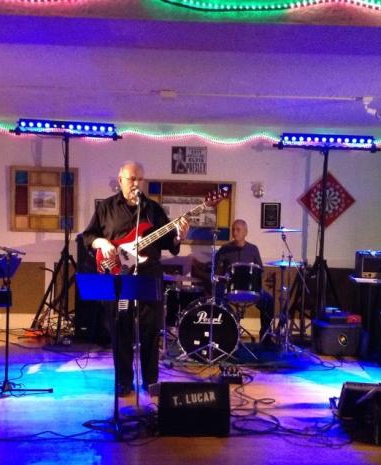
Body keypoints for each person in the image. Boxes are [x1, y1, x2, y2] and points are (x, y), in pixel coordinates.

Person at [82, 161, 189, 396]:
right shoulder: (106, 208)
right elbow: (88, 236)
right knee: (120, 329)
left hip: (148, 277)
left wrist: (179, 237)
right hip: (118, 275)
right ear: (120, 179)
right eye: (132, 179)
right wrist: (102, 243)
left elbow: (169, 244)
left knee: (150, 330)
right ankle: (124, 381)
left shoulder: (153, 209)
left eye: (140, 179)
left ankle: (150, 380)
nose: (136, 184)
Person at [215, 219, 274, 345]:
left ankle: (265, 337)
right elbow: (217, 272)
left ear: (245, 232)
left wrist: (258, 284)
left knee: (269, 301)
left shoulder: (253, 249)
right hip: (229, 288)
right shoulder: (224, 249)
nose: (234, 232)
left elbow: (259, 271)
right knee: (217, 298)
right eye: (233, 230)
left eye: (238, 230)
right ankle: (225, 335)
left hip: (250, 289)